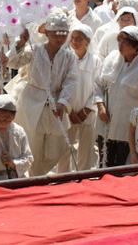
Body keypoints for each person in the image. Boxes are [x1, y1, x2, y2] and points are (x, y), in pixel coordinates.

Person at [6, 10, 78, 176]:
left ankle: (40, 174)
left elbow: (71, 80)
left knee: (57, 147)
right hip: (32, 104)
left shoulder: (69, 56)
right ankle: (33, 179)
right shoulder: (35, 50)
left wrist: (63, 103)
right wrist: (20, 43)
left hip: (56, 105)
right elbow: (12, 62)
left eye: (63, 34)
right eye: (56, 34)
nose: (60, 39)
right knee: (32, 145)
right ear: (47, 33)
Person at [95, 26, 138, 167]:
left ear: (136, 46)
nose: (120, 44)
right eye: (119, 40)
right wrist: (100, 106)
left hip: (127, 130)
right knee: (103, 164)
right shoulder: (111, 59)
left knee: (121, 168)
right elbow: (98, 83)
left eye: (125, 42)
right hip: (106, 123)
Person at [57, 24, 101, 172]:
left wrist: (86, 110)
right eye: (73, 38)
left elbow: (98, 86)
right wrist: (70, 110)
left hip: (88, 113)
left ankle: (83, 179)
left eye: (79, 39)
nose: (75, 42)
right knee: (63, 149)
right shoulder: (65, 59)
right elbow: (61, 85)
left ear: (87, 41)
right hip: (68, 112)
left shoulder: (96, 61)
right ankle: (63, 179)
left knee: (86, 150)